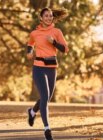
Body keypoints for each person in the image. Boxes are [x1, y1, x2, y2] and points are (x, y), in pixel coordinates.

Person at [26, 7, 69, 140]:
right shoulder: (35, 33)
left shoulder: (57, 31)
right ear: (41, 18)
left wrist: (54, 42)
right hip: (38, 67)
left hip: (52, 67)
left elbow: (65, 49)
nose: (49, 18)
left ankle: (32, 112)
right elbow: (30, 44)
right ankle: (47, 129)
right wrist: (29, 52)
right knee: (44, 97)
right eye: (46, 16)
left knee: (47, 98)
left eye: (50, 16)